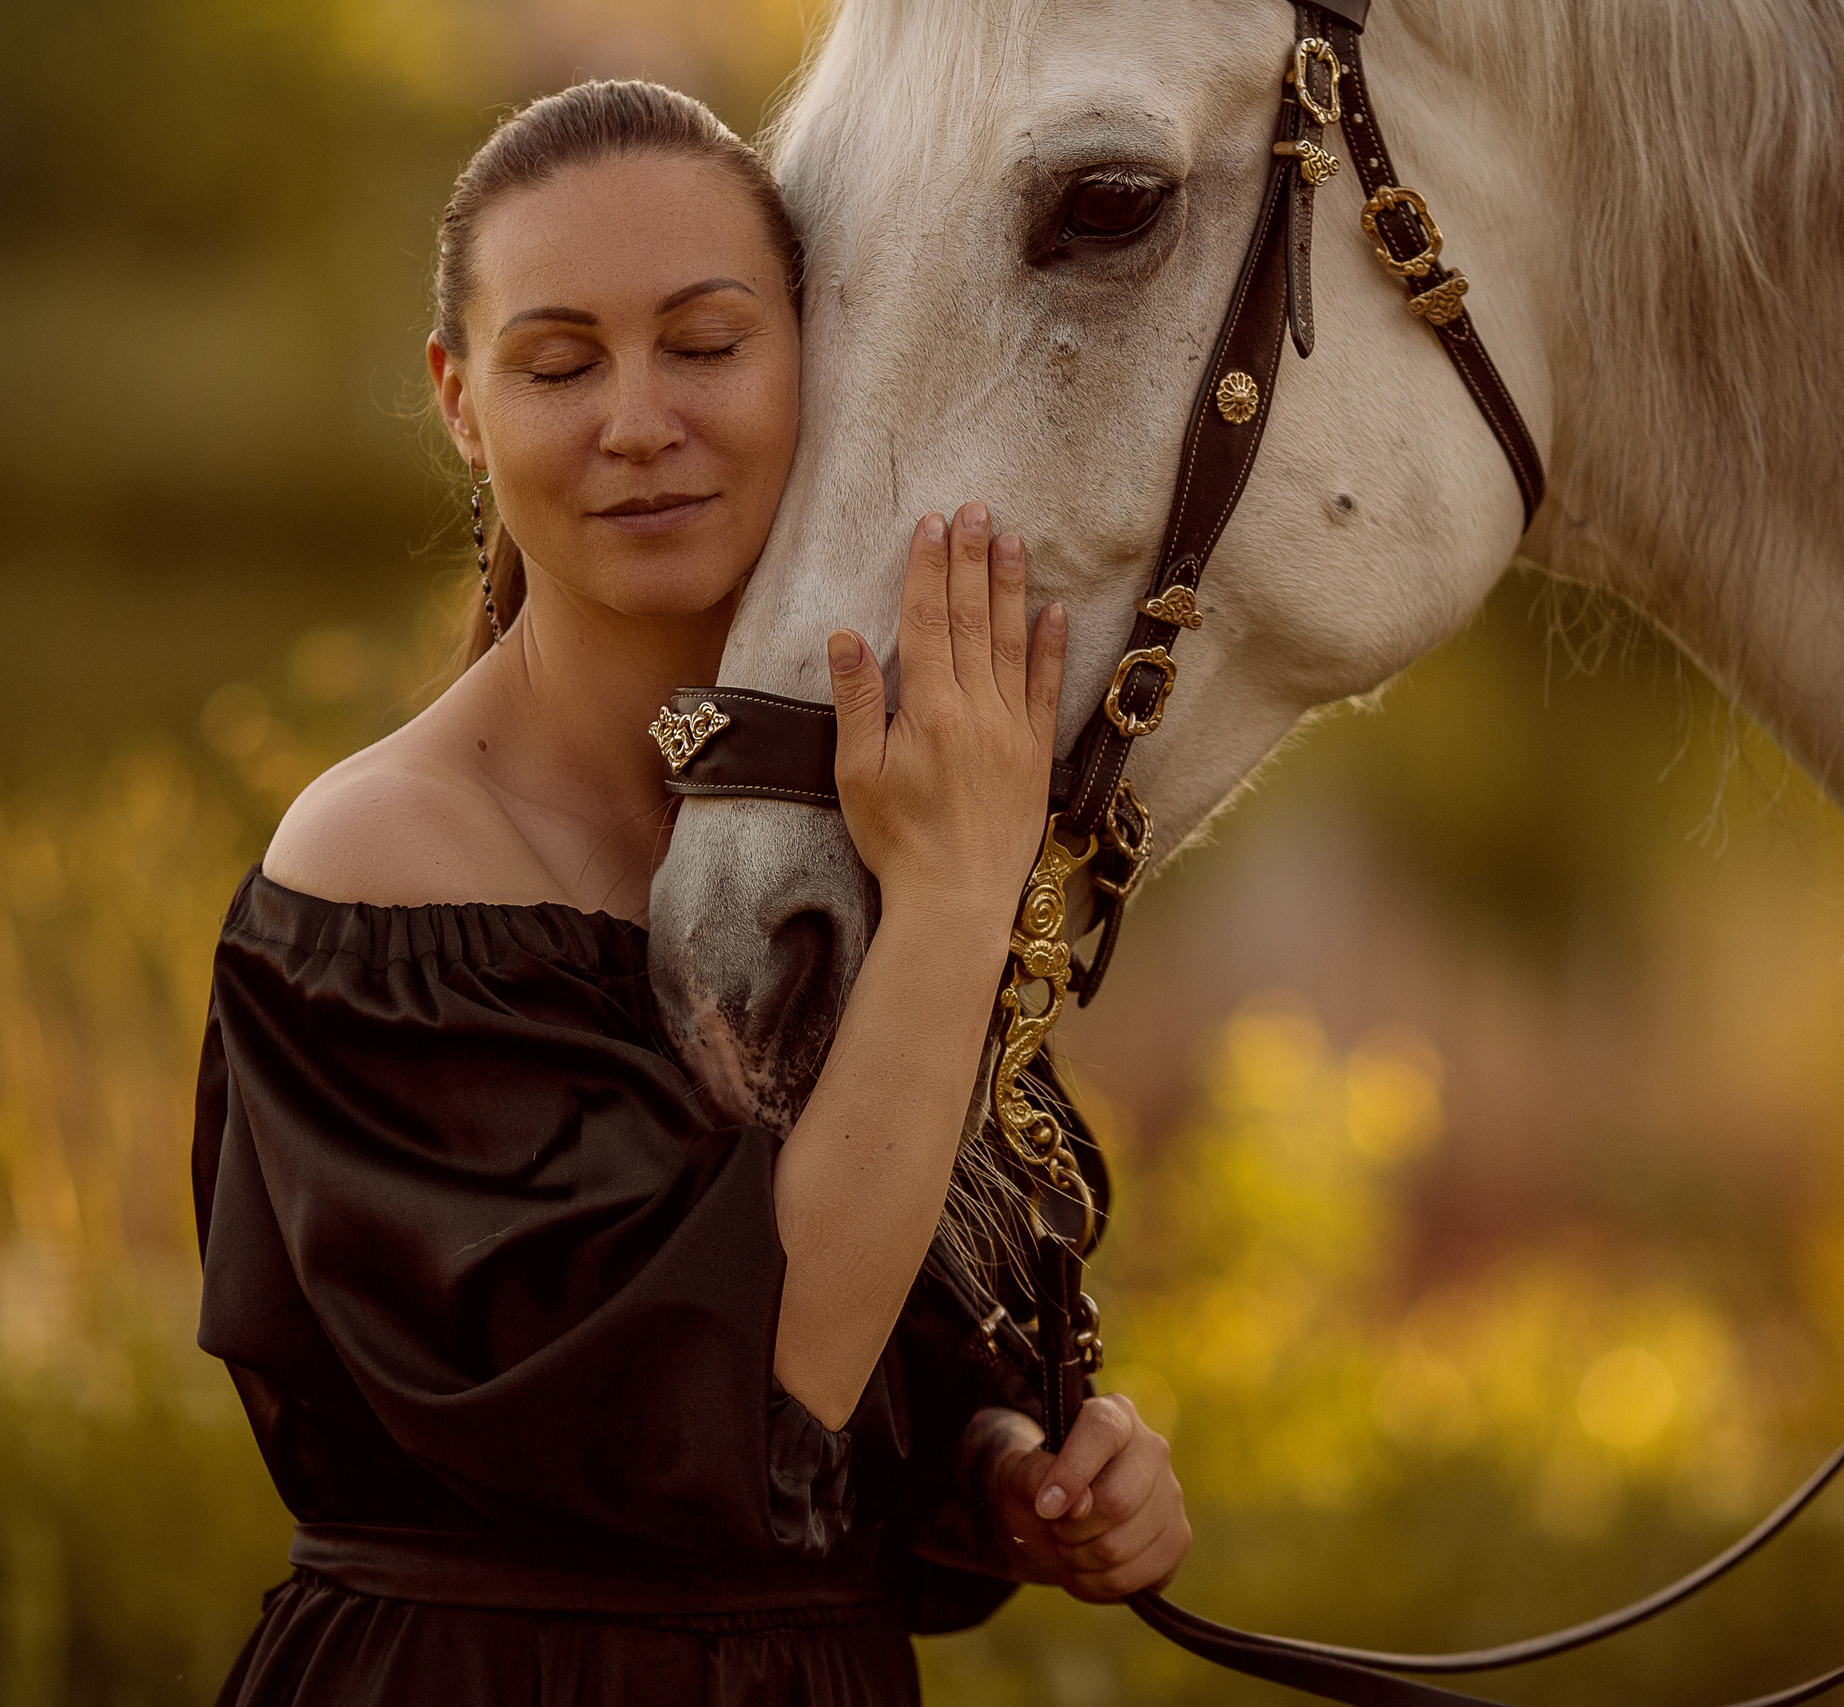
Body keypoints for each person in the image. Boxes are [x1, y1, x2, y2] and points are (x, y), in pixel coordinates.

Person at [190, 79, 1190, 1705]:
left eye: (709, 345)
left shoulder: (838, 844)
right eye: (559, 364)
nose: (639, 421)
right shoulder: (380, 869)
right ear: (459, 401)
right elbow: (741, 1397)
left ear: (817, 360)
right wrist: (956, 898)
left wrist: (1007, 1468)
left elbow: (865, 1380)